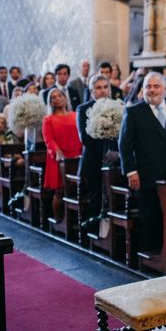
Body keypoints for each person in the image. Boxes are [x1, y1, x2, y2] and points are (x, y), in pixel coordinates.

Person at [118, 72, 166, 252]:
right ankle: (148, 253)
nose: (152, 90)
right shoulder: (133, 112)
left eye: (156, 86)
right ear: (143, 89)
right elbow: (125, 143)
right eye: (148, 86)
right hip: (147, 174)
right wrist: (131, 171)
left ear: (164, 89)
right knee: (150, 215)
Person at [76, 74, 111, 232]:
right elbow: (84, 137)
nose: (103, 91)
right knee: (94, 199)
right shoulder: (83, 109)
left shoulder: (117, 106)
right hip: (93, 161)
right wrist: (104, 154)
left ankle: (110, 232)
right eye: (98, 88)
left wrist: (114, 152)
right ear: (91, 91)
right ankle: (92, 232)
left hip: (113, 162)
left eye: (105, 87)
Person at [42, 88, 82, 220]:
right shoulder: (48, 119)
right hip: (59, 158)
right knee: (60, 191)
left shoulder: (75, 115)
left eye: (60, 95)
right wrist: (58, 153)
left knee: (77, 190)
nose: (57, 98)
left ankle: (73, 219)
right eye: (53, 97)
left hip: (76, 156)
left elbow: (81, 135)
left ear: (65, 98)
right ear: (50, 102)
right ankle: (58, 219)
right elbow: (49, 140)